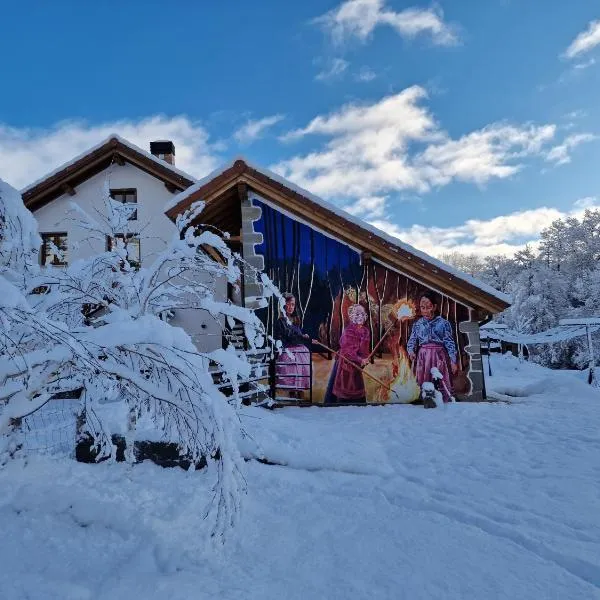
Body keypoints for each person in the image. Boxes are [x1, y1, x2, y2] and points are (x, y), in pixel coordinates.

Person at [407, 291, 458, 403]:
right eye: (422, 307)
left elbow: (449, 342)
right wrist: (411, 351)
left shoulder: (443, 323)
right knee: (423, 378)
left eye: (428, 307)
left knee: (439, 377)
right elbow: (412, 339)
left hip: (438, 355)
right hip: (423, 355)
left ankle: (442, 399)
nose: (425, 311)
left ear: (434, 307)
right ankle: (425, 398)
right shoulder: (418, 324)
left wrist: (453, 360)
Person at [325, 303, 370, 404]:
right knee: (345, 387)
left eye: (362, 314)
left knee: (357, 386)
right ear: (351, 316)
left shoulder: (365, 331)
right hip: (345, 363)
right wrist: (360, 359)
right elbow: (347, 351)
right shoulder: (349, 331)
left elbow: (364, 349)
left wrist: (365, 358)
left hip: (356, 364)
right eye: (357, 314)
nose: (360, 317)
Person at [274, 293, 311, 399]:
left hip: (298, 350)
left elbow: (297, 334)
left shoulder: (295, 320)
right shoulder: (281, 321)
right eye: (288, 304)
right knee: (294, 367)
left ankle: (300, 394)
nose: (290, 307)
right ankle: (293, 394)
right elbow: (289, 336)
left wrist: (303, 336)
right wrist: (301, 337)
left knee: (302, 361)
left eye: (293, 305)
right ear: (283, 305)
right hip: (288, 351)